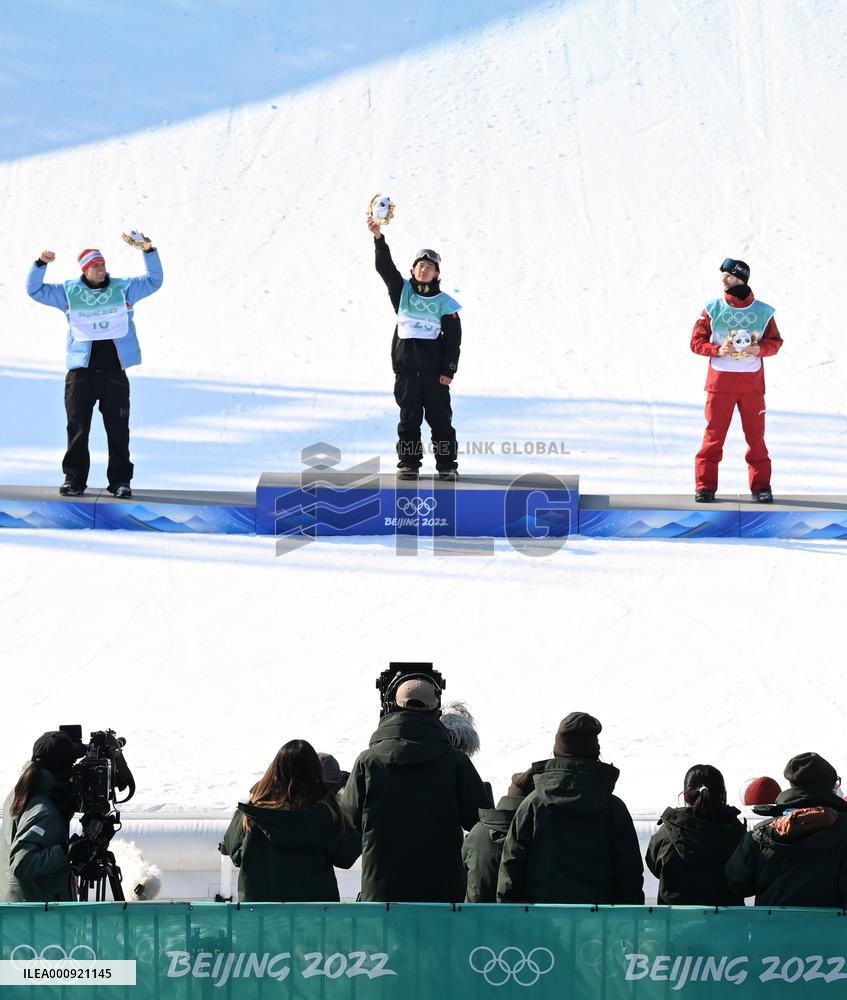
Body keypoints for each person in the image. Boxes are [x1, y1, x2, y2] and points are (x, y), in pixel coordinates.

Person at [26, 236, 164, 498]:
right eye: (95, 266)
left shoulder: (122, 289)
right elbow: (35, 291)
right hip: (81, 374)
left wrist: (149, 250)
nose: (101, 269)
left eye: (102, 264)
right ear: (85, 270)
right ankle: (74, 480)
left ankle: (120, 481)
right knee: (78, 428)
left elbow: (154, 281)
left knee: (118, 430)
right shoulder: (69, 292)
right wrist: (40, 264)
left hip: (114, 372)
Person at [340, 676, 491, 901]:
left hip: (382, 897)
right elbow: (481, 820)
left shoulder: (368, 762)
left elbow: (347, 833)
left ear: (393, 707)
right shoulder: (456, 762)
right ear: (435, 711)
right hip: (443, 896)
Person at [497, 712, 643, 904]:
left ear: (557, 752)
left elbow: (511, 871)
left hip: (541, 925)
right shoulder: (613, 809)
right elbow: (629, 876)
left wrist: (511, 923)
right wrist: (625, 926)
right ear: (595, 753)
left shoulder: (533, 805)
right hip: (600, 926)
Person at [367, 216, 462, 480]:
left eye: (430, 267)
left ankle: (447, 466)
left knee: (441, 423)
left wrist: (448, 371)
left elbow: (453, 340)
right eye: (420, 266)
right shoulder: (403, 293)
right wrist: (378, 238)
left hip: (435, 376)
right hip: (407, 374)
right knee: (409, 422)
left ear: (437, 274)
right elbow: (385, 268)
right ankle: (408, 464)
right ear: (412, 270)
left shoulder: (446, 303)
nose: (424, 270)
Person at [220, 739, 360, 903]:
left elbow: (233, 851)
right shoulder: (325, 816)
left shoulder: (251, 814)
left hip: (260, 920)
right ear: (315, 773)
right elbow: (347, 855)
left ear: (275, 769)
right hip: (313, 919)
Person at [690, 258, 783, 503]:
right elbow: (696, 342)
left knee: (756, 439)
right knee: (713, 437)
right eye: (722, 275)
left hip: (751, 387)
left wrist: (759, 349)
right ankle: (704, 487)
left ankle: (762, 487)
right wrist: (716, 350)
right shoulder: (712, 308)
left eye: (728, 275)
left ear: (741, 278)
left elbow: (775, 342)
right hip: (719, 386)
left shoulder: (763, 312)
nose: (723, 279)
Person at [725, 752, 847, 908]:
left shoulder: (761, 833)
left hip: (772, 930)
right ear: (829, 786)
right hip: (832, 931)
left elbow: (737, 883)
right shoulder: (843, 829)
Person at [0, 731, 84, 902]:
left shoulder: (18, 794)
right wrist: (66, 852)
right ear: (64, 771)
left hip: (19, 908)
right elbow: (22, 863)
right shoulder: (43, 810)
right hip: (38, 916)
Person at [645, 764, 746, 906]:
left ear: (685, 795)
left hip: (675, 924)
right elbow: (747, 880)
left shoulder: (666, 833)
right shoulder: (738, 835)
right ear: (723, 795)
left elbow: (653, 865)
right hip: (728, 925)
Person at [463, 772, 528, 903]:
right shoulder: (532, 833)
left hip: (475, 917)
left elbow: (461, 870)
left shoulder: (478, 832)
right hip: (521, 918)